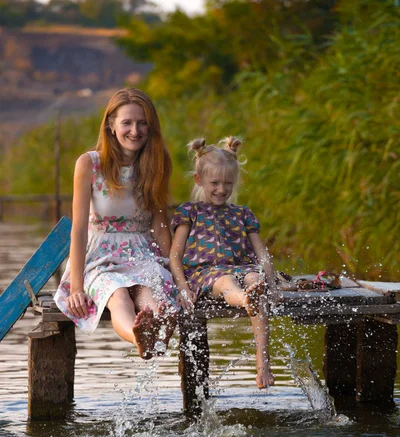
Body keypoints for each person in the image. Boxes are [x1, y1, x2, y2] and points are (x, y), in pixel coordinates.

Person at [54, 88, 177, 360]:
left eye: (143, 122)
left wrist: (174, 269)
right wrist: (76, 288)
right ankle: (140, 338)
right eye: (127, 123)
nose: (135, 130)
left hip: (142, 252)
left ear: (151, 126)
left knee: (150, 292)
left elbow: (159, 224)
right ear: (111, 125)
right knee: (117, 294)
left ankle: (158, 325)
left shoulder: (157, 163)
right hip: (100, 256)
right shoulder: (90, 164)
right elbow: (78, 230)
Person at [169, 136, 281, 389]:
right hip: (206, 273)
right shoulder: (190, 212)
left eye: (228, 184)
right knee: (227, 282)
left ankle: (263, 362)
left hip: (242, 267)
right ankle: (243, 299)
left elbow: (261, 252)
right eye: (215, 183)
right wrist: (183, 288)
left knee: (256, 280)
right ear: (199, 180)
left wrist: (270, 281)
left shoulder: (242, 213)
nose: (221, 189)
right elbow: (175, 256)